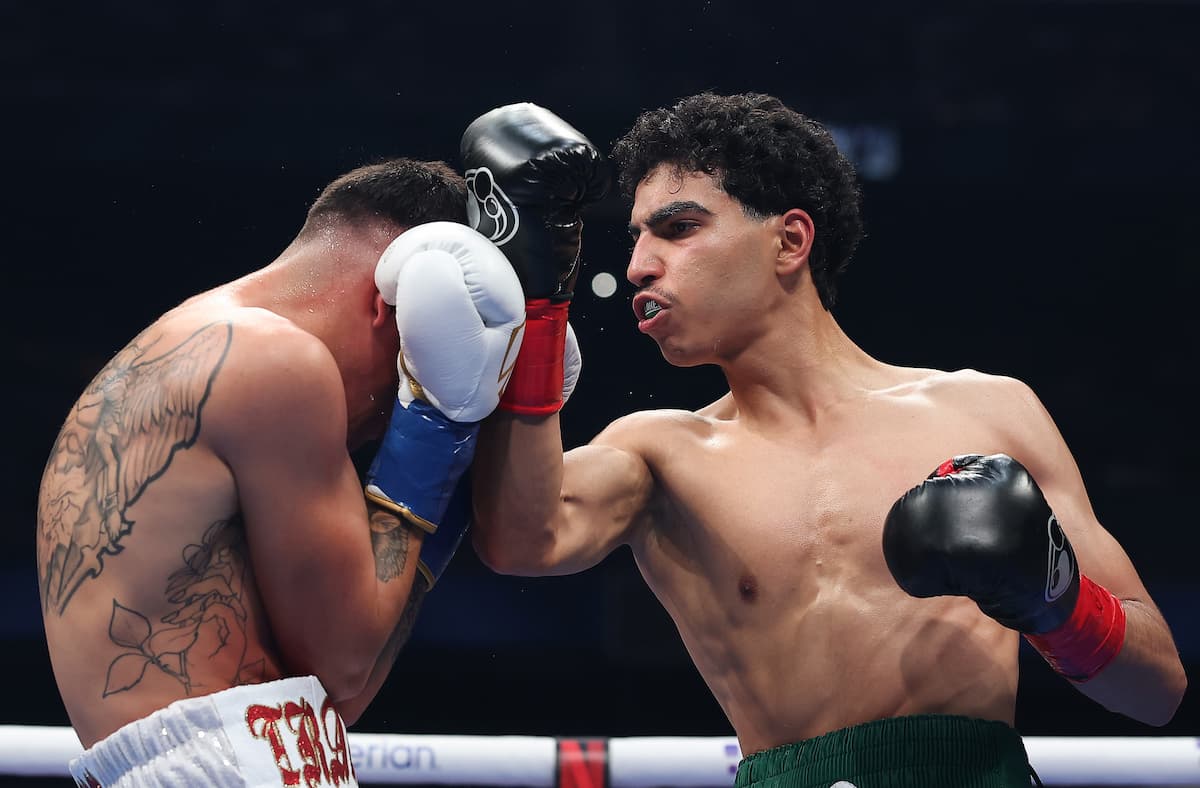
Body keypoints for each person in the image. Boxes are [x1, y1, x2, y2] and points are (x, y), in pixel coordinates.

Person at [467, 93, 1188, 787]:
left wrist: (1054, 603)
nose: (638, 266)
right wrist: (538, 297)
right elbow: (520, 540)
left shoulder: (989, 413)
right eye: (638, 238)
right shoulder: (661, 453)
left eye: (678, 228)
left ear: (789, 241)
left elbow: (1157, 691)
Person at [36, 157, 526, 787]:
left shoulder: (205, 349)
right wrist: (433, 430)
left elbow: (333, 699)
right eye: (425, 353)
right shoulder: (273, 361)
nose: (384, 420)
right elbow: (345, 662)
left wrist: (449, 488)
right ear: (395, 309)